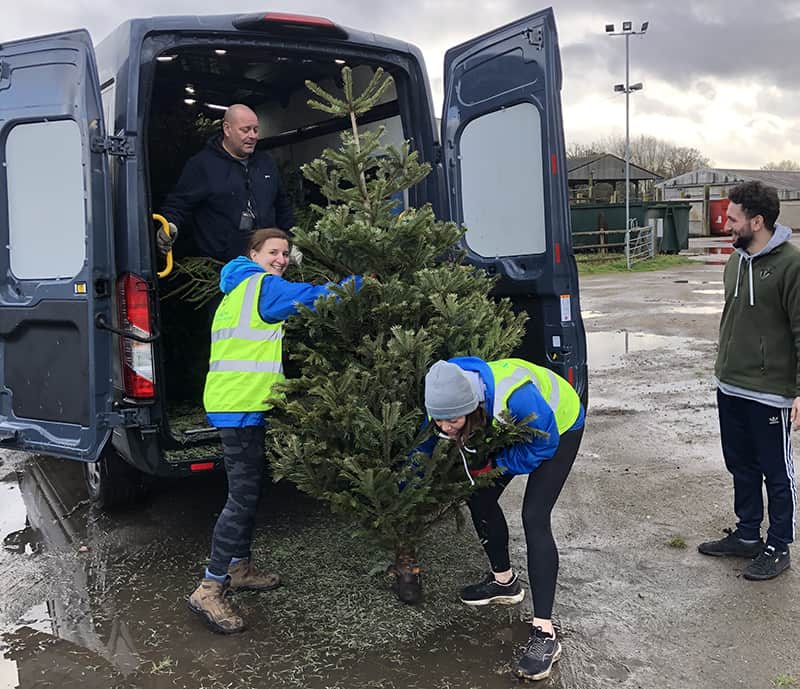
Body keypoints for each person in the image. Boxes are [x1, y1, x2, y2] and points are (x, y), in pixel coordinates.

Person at [188, 228, 361, 634]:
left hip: (239, 402)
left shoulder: (237, 290)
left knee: (248, 490)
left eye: (285, 253)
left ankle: (239, 568)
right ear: (253, 254)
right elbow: (314, 298)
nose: (281, 259)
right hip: (240, 406)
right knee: (242, 496)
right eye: (272, 252)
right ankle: (210, 586)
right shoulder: (262, 288)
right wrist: (357, 285)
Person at [422, 356, 584, 681]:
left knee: (534, 516)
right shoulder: (444, 389)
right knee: (478, 496)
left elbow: (543, 444)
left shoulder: (516, 396)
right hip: (518, 426)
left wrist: (497, 465)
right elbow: (425, 444)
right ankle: (504, 582)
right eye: (439, 420)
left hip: (558, 426)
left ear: (471, 406)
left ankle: (544, 634)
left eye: (452, 421)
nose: (445, 427)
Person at [698, 180, 800, 581]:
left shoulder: (792, 265)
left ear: (757, 221)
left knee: (776, 470)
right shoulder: (735, 260)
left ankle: (778, 545)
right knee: (740, 464)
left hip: (771, 392)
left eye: (734, 218)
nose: (726, 223)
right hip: (731, 385)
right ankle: (746, 535)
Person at [158, 104, 295, 262]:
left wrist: (291, 241)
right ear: (227, 129)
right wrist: (169, 224)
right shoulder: (202, 165)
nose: (253, 136)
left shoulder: (266, 163)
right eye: (246, 130)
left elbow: (282, 205)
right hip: (222, 265)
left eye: (256, 130)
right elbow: (178, 203)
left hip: (267, 261)